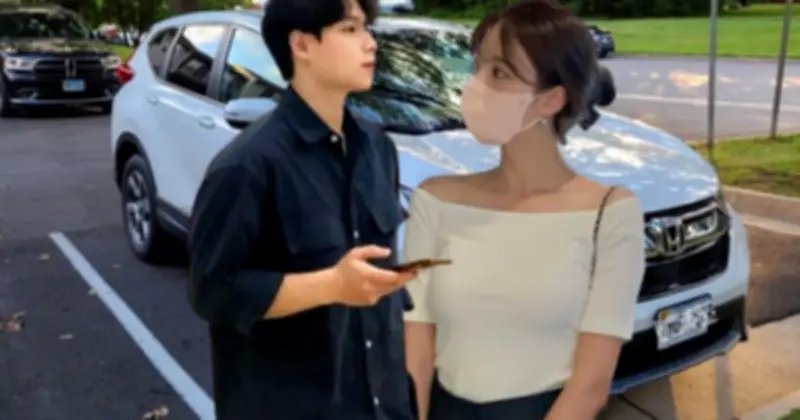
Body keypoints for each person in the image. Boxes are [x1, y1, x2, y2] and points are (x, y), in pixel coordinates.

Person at [402, 1, 646, 419]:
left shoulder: (609, 213)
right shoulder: (435, 200)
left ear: (551, 100)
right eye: (477, 68)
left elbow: (591, 385)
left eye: (499, 73)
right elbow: (417, 349)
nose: (476, 85)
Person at [186, 0, 417, 419]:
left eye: (367, 29)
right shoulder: (246, 165)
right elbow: (212, 292)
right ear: (302, 45)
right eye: (350, 29)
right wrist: (330, 285)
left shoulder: (377, 147)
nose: (370, 43)